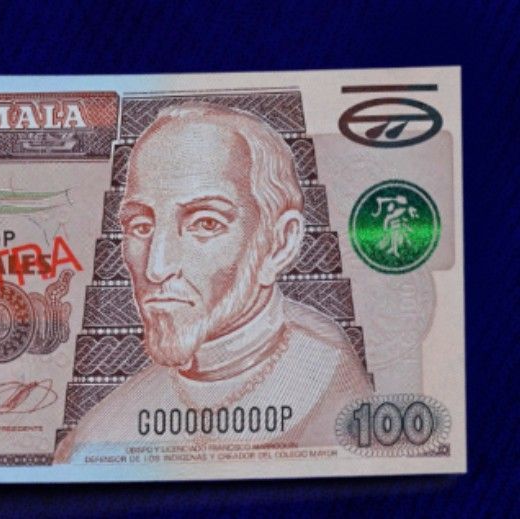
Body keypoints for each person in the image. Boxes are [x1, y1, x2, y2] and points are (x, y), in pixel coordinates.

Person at [56, 103, 371, 462]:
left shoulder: (334, 380)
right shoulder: (100, 432)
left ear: (279, 244)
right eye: (141, 226)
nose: (156, 268)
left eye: (205, 223)